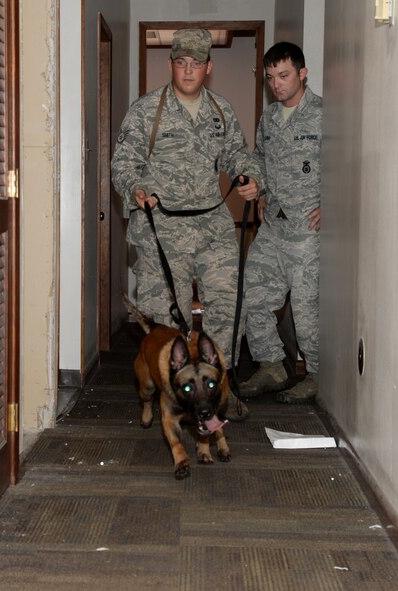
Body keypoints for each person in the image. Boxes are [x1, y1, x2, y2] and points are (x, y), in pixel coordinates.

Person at [111, 28, 262, 420]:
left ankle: (222, 394)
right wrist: (136, 189)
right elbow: (122, 164)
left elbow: (238, 156)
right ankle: (173, 401)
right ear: (171, 65)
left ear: (208, 67)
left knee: (228, 310)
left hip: (212, 227)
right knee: (165, 319)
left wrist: (250, 178)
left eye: (196, 63)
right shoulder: (146, 111)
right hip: (162, 228)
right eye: (181, 63)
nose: (189, 70)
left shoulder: (221, 111)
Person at [240, 41, 323, 403]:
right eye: (271, 77)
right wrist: (255, 186)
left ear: (303, 73)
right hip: (272, 224)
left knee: (306, 309)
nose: (277, 84)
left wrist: (335, 205)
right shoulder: (269, 118)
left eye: (284, 75)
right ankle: (272, 364)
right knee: (253, 295)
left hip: (307, 228)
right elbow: (259, 158)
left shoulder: (325, 114)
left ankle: (318, 374)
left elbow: (348, 167)